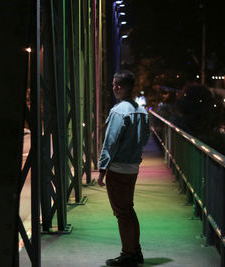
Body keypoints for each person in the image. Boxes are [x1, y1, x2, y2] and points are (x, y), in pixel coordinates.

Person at [98, 70, 150, 266]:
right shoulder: (142, 111)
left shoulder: (118, 111)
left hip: (118, 169)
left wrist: (102, 170)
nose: (112, 88)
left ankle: (128, 254)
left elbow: (110, 143)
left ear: (119, 87)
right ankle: (135, 252)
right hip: (133, 168)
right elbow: (144, 138)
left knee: (122, 213)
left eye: (113, 85)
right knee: (128, 210)